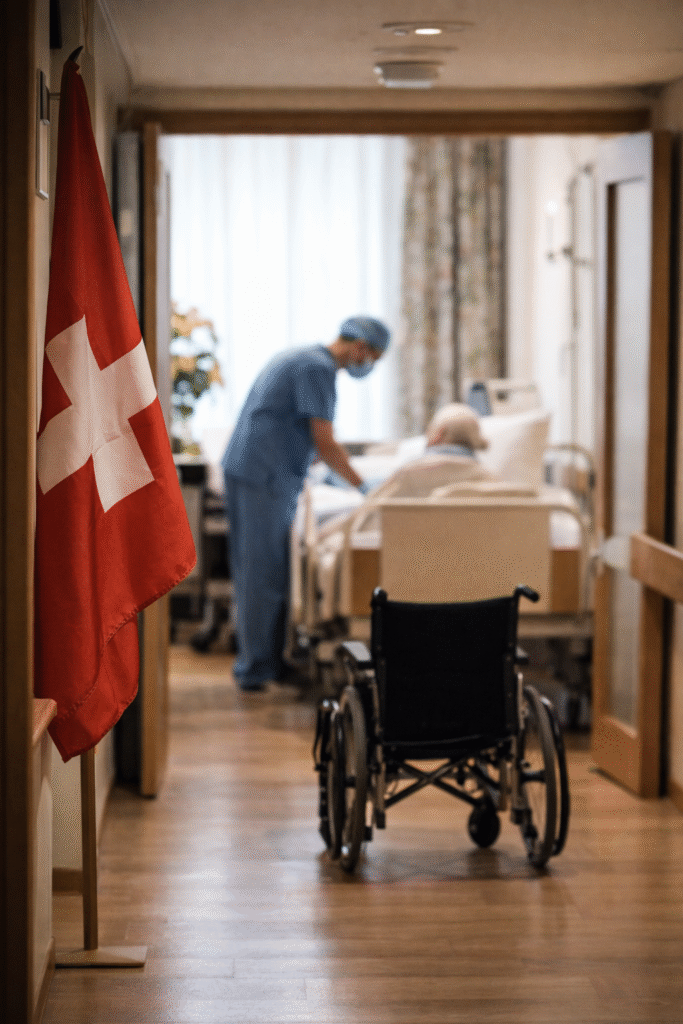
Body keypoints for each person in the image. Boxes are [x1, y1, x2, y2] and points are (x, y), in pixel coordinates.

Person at [222, 316, 390, 691]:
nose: (370, 366)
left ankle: (267, 663)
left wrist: (323, 469)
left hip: (256, 468)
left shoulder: (302, 357)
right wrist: (363, 486)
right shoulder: (318, 369)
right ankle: (255, 669)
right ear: (360, 348)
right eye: (374, 358)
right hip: (264, 474)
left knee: (262, 570)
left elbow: (299, 432)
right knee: (263, 574)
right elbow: (326, 442)